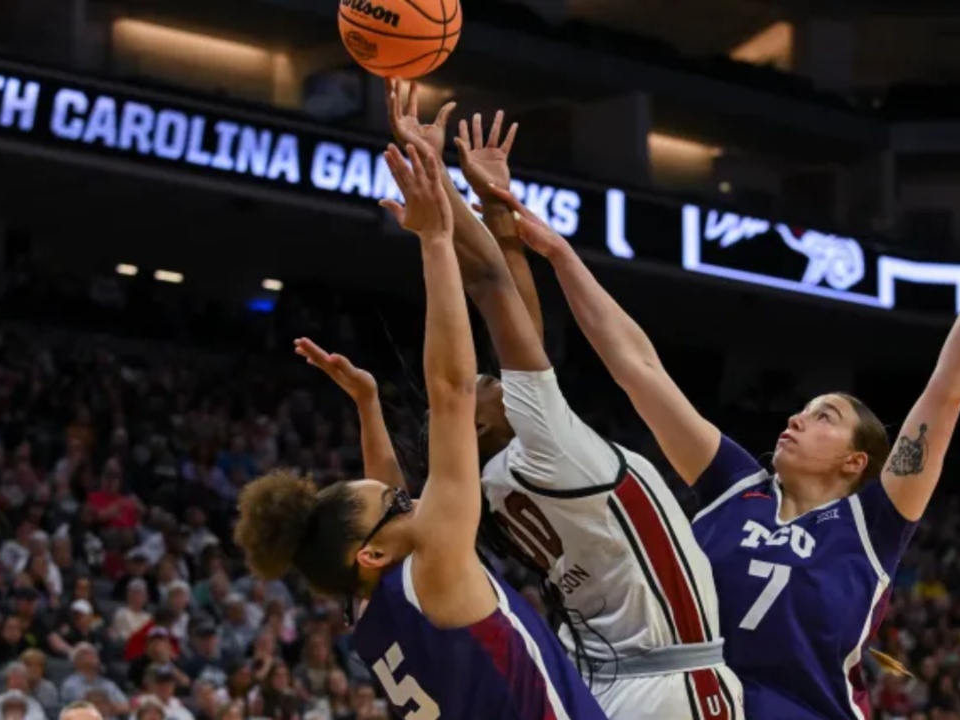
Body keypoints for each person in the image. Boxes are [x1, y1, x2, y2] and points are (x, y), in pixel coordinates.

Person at [489, 179, 960, 719]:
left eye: (824, 417)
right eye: (804, 409)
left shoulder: (874, 524)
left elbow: (949, 388)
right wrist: (562, 256)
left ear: (855, 460)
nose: (797, 418)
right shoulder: (735, 485)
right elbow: (639, 369)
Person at [296, 77, 741, 720]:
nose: (487, 380)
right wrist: (436, 183)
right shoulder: (544, 445)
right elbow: (491, 290)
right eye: (482, 386)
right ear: (479, 426)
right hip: (675, 679)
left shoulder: (491, 486)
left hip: (604, 679)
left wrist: (495, 210)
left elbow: (513, 316)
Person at [234, 141, 606, 720]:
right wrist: (436, 242)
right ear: (374, 551)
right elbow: (453, 392)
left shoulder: (366, 610)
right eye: (402, 502)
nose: (413, 493)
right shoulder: (435, 570)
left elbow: (383, 502)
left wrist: (368, 404)